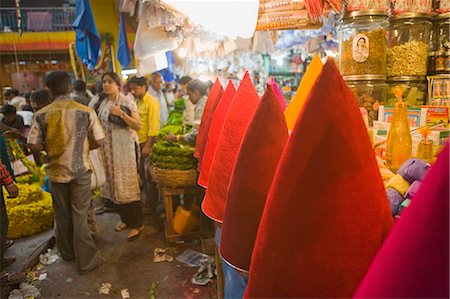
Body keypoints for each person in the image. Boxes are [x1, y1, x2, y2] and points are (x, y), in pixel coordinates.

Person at [27, 71, 105, 274]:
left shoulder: (42, 114)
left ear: (49, 89)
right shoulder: (85, 111)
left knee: (62, 214)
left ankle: (68, 253)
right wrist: (85, 148)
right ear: (70, 87)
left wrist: (49, 149)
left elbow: (32, 144)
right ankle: (86, 261)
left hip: (55, 172)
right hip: (80, 171)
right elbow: (100, 140)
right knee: (80, 215)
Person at [95, 72, 144, 241]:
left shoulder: (126, 101)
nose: (106, 85)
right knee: (114, 186)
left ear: (117, 84)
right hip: (108, 151)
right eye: (104, 82)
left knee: (127, 185)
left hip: (124, 151)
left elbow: (137, 125)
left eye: (109, 82)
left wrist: (121, 114)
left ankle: (137, 223)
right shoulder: (103, 103)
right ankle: (125, 219)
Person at [127, 77, 160, 213]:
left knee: (149, 177)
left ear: (143, 87)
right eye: (131, 89)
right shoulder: (136, 102)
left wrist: (148, 145)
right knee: (143, 175)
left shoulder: (151, 102)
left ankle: (152, 206)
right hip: (138, 143)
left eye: (135, 88)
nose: (133, 91)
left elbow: (154, 126)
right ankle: (148, 203)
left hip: (147, 143)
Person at [166, 79, 208, 146]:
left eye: (189, 94)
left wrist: (176, 137)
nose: (188, 98)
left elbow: (196, 135)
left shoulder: (201, 107)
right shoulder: (205, 101)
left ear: (196, 92)